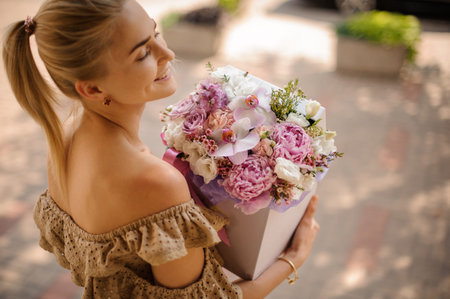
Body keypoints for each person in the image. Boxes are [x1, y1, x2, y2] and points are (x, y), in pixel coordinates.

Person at [2, 0, 320, 298]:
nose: (166, 52)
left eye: (155, 33)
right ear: (93, 88)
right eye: (143, 54)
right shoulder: (156, 182)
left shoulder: (65, 139)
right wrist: (293, 258)